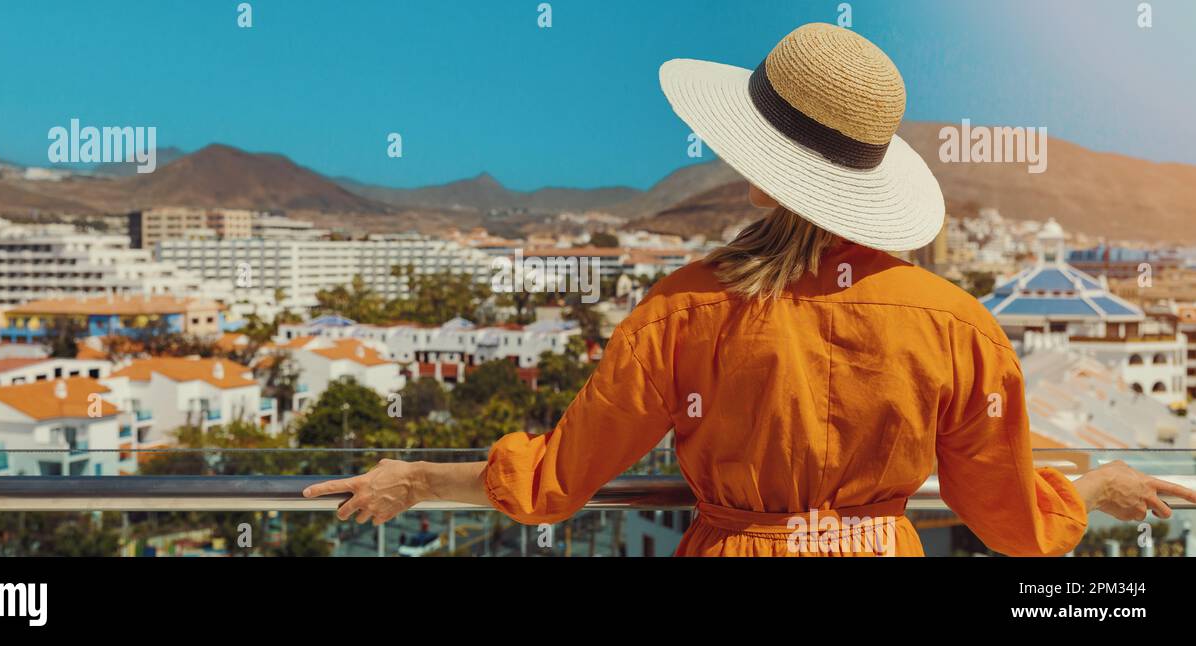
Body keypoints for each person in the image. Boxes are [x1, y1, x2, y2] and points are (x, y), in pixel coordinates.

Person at [304, 23, 1196, 556]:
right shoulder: (957, 325)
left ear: (762, 177)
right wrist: (1094, 486)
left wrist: (413, 478)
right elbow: (1006, 517)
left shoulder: (683, 310)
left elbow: (555, 482)